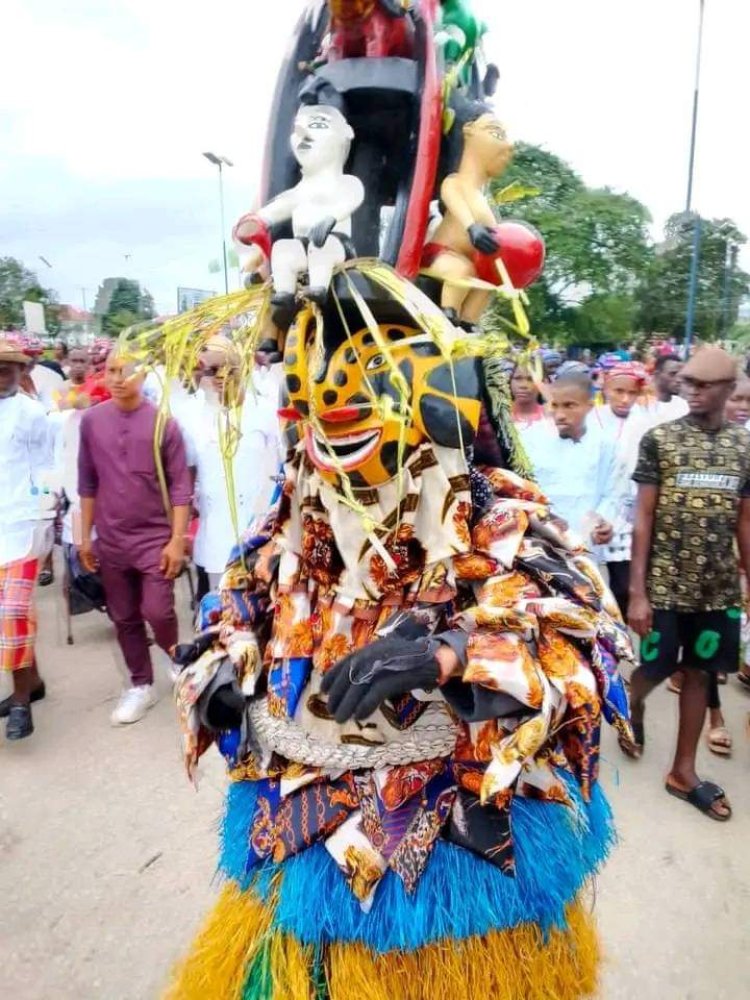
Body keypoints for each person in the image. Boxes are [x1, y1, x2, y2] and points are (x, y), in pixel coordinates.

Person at [623, 347, 750, 821]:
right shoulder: (661, 440)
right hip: (664, 586)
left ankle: (683, 771)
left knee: (700, 673)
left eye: (702, 384)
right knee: (655, 668)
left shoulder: (744, 446)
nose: (690, 390)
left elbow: (744, 521)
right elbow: (644, 519)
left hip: (717, 590)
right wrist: (637, 593)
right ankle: (630, 706)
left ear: (727, 389)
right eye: (688, 382)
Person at [77, 350, 193, 726]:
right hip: (110, 539)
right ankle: (140, 684)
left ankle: (178, 660)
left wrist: (177, 540)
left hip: (154, 539)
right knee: (123, 616)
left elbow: (180, 488)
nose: (117, 378)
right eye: (111, 370)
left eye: (126, 371)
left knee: (157, 610)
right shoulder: (92, 422)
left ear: (144, 376)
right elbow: (87, 482)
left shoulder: (164, 425)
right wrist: (85, 537)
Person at [188, 336, 282, 592]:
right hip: (214, 532)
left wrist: (273, 506)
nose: (219, 377)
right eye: (211, 370)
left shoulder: (264, 410)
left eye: (226, 368)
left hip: (257, 529)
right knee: (218, 606)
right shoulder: (194, 414)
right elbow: (187, 470)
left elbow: (283, 467)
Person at [0, 337, 53, 740]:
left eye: (7, 368)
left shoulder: (35, 415)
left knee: (14, 612)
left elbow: (48, 472)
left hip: (24, 527)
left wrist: (44, 518)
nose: (1, 375)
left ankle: (19, 701)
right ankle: (32, 681)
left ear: (22, 371)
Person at [523, 370, 617, 561]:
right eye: (555, 406)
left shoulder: (605, 444)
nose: (560, 414)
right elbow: (524, 490)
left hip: (585, 544)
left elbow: (611, 493)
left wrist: (603, 522)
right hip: (541, 543)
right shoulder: (531, 439)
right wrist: (545, 518)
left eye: (569, 406)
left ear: (589, 407)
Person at [592, 362, 651, 619]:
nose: (625, 399)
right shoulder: (591, 418)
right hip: (592, 508)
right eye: (618, 391)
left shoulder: (646, 422)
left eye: (632, 393)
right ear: (606, 387)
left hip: (628, 513)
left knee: (622, 586)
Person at [640, 353, 688, 426]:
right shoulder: (640, 405)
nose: (679, 380)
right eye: (673, 374)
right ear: (656, 375)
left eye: (681, 375)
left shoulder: (683, 406)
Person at [508, 361, 544, 428]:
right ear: (510, 381)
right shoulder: (497, 416)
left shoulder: (552, 417)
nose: (523, 385)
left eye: (531, 379)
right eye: (518, 378)